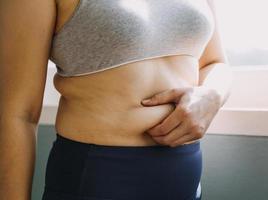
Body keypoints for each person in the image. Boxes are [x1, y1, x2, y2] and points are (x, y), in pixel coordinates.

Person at [0, 0, 233, 199]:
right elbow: (17, 113)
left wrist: (212, 95)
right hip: (100, 176)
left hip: (184, 174)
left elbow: (215, 62)